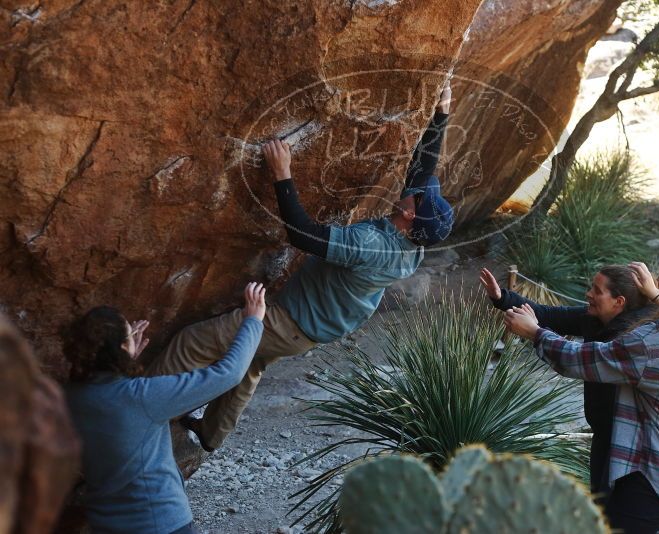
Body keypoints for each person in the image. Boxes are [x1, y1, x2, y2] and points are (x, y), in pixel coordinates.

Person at [148, 83, 455, 452]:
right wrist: (441, 113)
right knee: (248, 365)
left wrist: (282, 174)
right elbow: (422, 171)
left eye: (419, 197)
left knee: (192, 342)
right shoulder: (413, 240)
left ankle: (139, 411)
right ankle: (212, 434)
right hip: (310, 330)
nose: (418, 188)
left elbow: (304, 236)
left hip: (288, 322)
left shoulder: (372, 246)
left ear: (408, 213)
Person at [503, 246, 659, 534]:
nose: (654, 280)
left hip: (652, 479)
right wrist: (658, 297)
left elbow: (585, 360)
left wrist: (535, 333)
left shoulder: (653, 342)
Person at [64, 283, 266, 534]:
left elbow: (110, 401)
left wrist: (122, 358)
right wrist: (253, 321)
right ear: (122, 349)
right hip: (160, 523)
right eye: (129, 335)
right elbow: (229, 374)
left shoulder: (70, 399)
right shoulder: (142, 397)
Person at [479, 264, 657, 501]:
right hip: (604, 434)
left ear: (619, 302)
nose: (589, 294)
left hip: (628, 442)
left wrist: (534, 333)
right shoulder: (595, 318)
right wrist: (502, 297)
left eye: (597, 290)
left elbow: (574, 359)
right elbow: (548, 314)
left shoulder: (631, 339)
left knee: (615, 508)